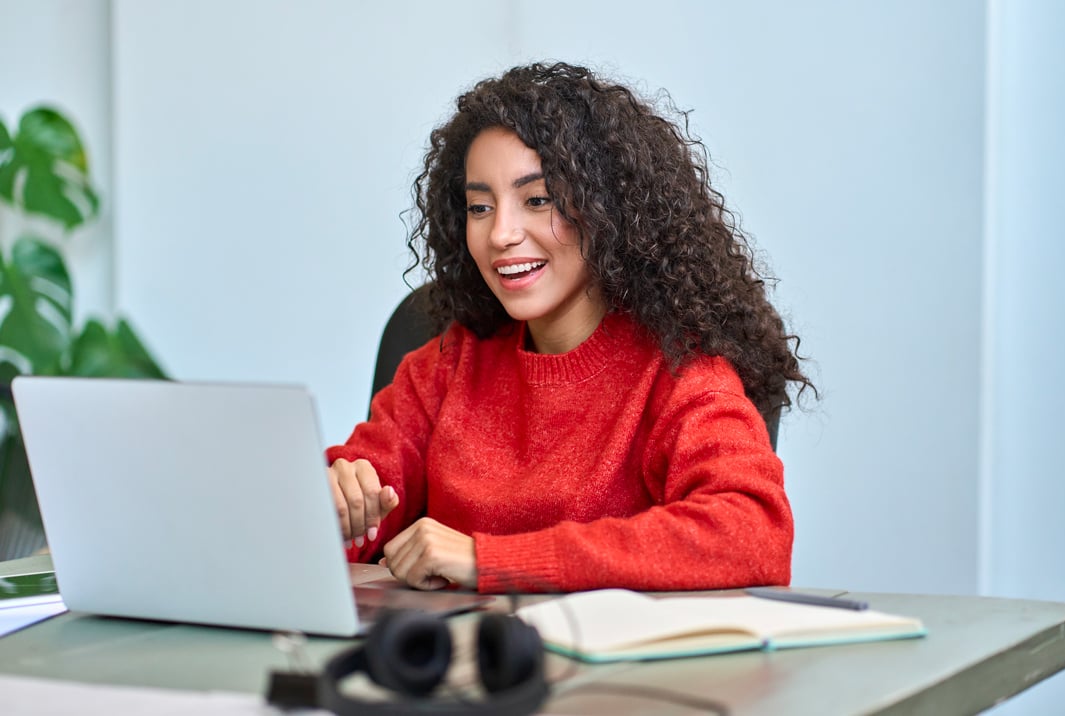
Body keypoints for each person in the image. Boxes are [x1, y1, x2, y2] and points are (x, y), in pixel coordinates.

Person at [326, 62, 815, 594]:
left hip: (612, 673)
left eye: (538, 200)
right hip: (446, 665)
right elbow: (357, 502)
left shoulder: (680, 372)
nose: (501, 234)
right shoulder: (447, 361)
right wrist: (340, 502)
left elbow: (751, 536)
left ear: (608, 209)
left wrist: (490, 560)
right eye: (479, 207)